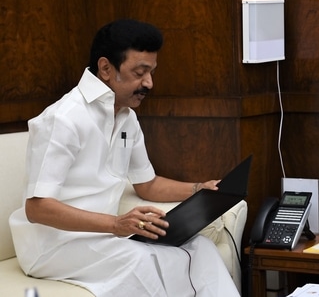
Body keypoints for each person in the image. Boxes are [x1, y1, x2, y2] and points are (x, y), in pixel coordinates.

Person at [9, 19, 240, 297]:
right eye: (140, 72)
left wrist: (197, 189)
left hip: (103, 238)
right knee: (144, 261)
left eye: (152, 72)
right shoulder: (63, 119)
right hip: (52, 246)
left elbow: (147, 184)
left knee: (201, 248)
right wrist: (116, 224)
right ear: (106, 68)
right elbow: (38, 208)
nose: (149, 83)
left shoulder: (127, 117)